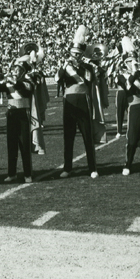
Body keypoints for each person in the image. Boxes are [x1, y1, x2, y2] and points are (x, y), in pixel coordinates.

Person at [60, 26, 98, 179]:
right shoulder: (66, 66)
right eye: (73, 54)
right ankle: (67, 168)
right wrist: (65, 66)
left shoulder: (87, 66)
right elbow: (58, 78)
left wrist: (80, 66)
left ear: (82, 54)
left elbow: (89, 80)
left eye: (77, 54)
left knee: (87, 136)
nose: (74, 56)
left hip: (83, 101)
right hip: (69, 102)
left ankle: (92, 168)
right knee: (68, 137)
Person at [3, 55, 34, 183]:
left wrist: (15, 82)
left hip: (23, 115)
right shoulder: (9, 82)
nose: (16, 71)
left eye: (19, 70)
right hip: (11, 114)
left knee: (24, 145)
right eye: (15, 69)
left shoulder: (27, 81)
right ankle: (12, 173)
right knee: (11, 145)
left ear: (23, 72)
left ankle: (27, 174)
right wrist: (2, 79)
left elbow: (27, 89)